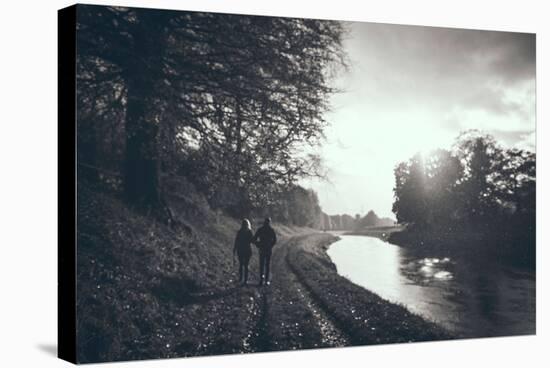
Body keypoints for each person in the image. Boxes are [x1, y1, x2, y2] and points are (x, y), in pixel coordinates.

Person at [252, 217, 277, 286]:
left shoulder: (261, 229)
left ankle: (262, 280)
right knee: (267, 265)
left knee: (262, 265)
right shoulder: (271, 230)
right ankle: (265, 280)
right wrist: (270, 245)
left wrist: (258, 244)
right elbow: (275, 240)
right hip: (267, 249)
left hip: (263, 249)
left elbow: (254, 239)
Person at [233, 219, 254, 285]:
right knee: (246, 265)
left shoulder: (240, 232)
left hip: (241, 250)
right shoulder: (249, 232)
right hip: (247, 250)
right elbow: (252, 240)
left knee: (241, 264)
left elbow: (236, 241)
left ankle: (241, 278)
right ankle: (245, 279)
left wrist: (234, 249)